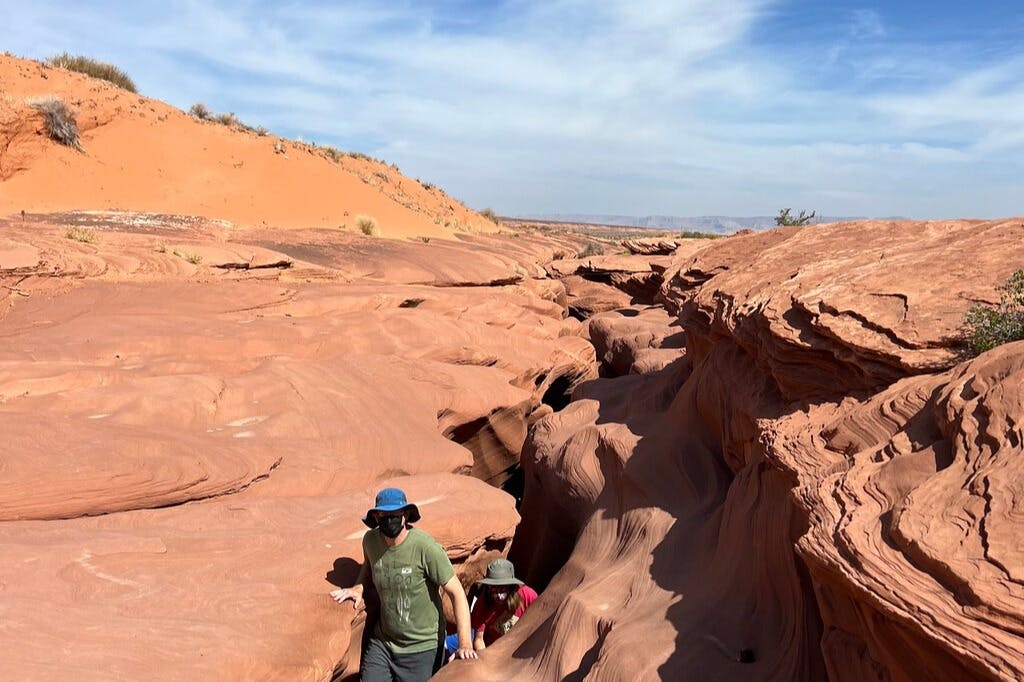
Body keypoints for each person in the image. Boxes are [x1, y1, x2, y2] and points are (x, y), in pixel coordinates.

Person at [331, 488, 478, 681]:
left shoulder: (425, 547)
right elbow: (368, 566)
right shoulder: (371, 541)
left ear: (406, 515)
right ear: (375, 517)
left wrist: (465, 644)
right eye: (383, 515)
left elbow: (457, 593)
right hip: (384, 642)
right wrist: (359, 586)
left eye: (395, 514)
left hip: (422, 647)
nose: (389, 520)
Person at [444, 558, 538, 656]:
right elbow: (479, 639)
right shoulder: (483, 602)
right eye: (494, 588)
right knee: (455, 642)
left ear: (511, 586)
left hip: (522, 647)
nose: (498, 594)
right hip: (494, 650)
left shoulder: (528, 595)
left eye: (502, 588)